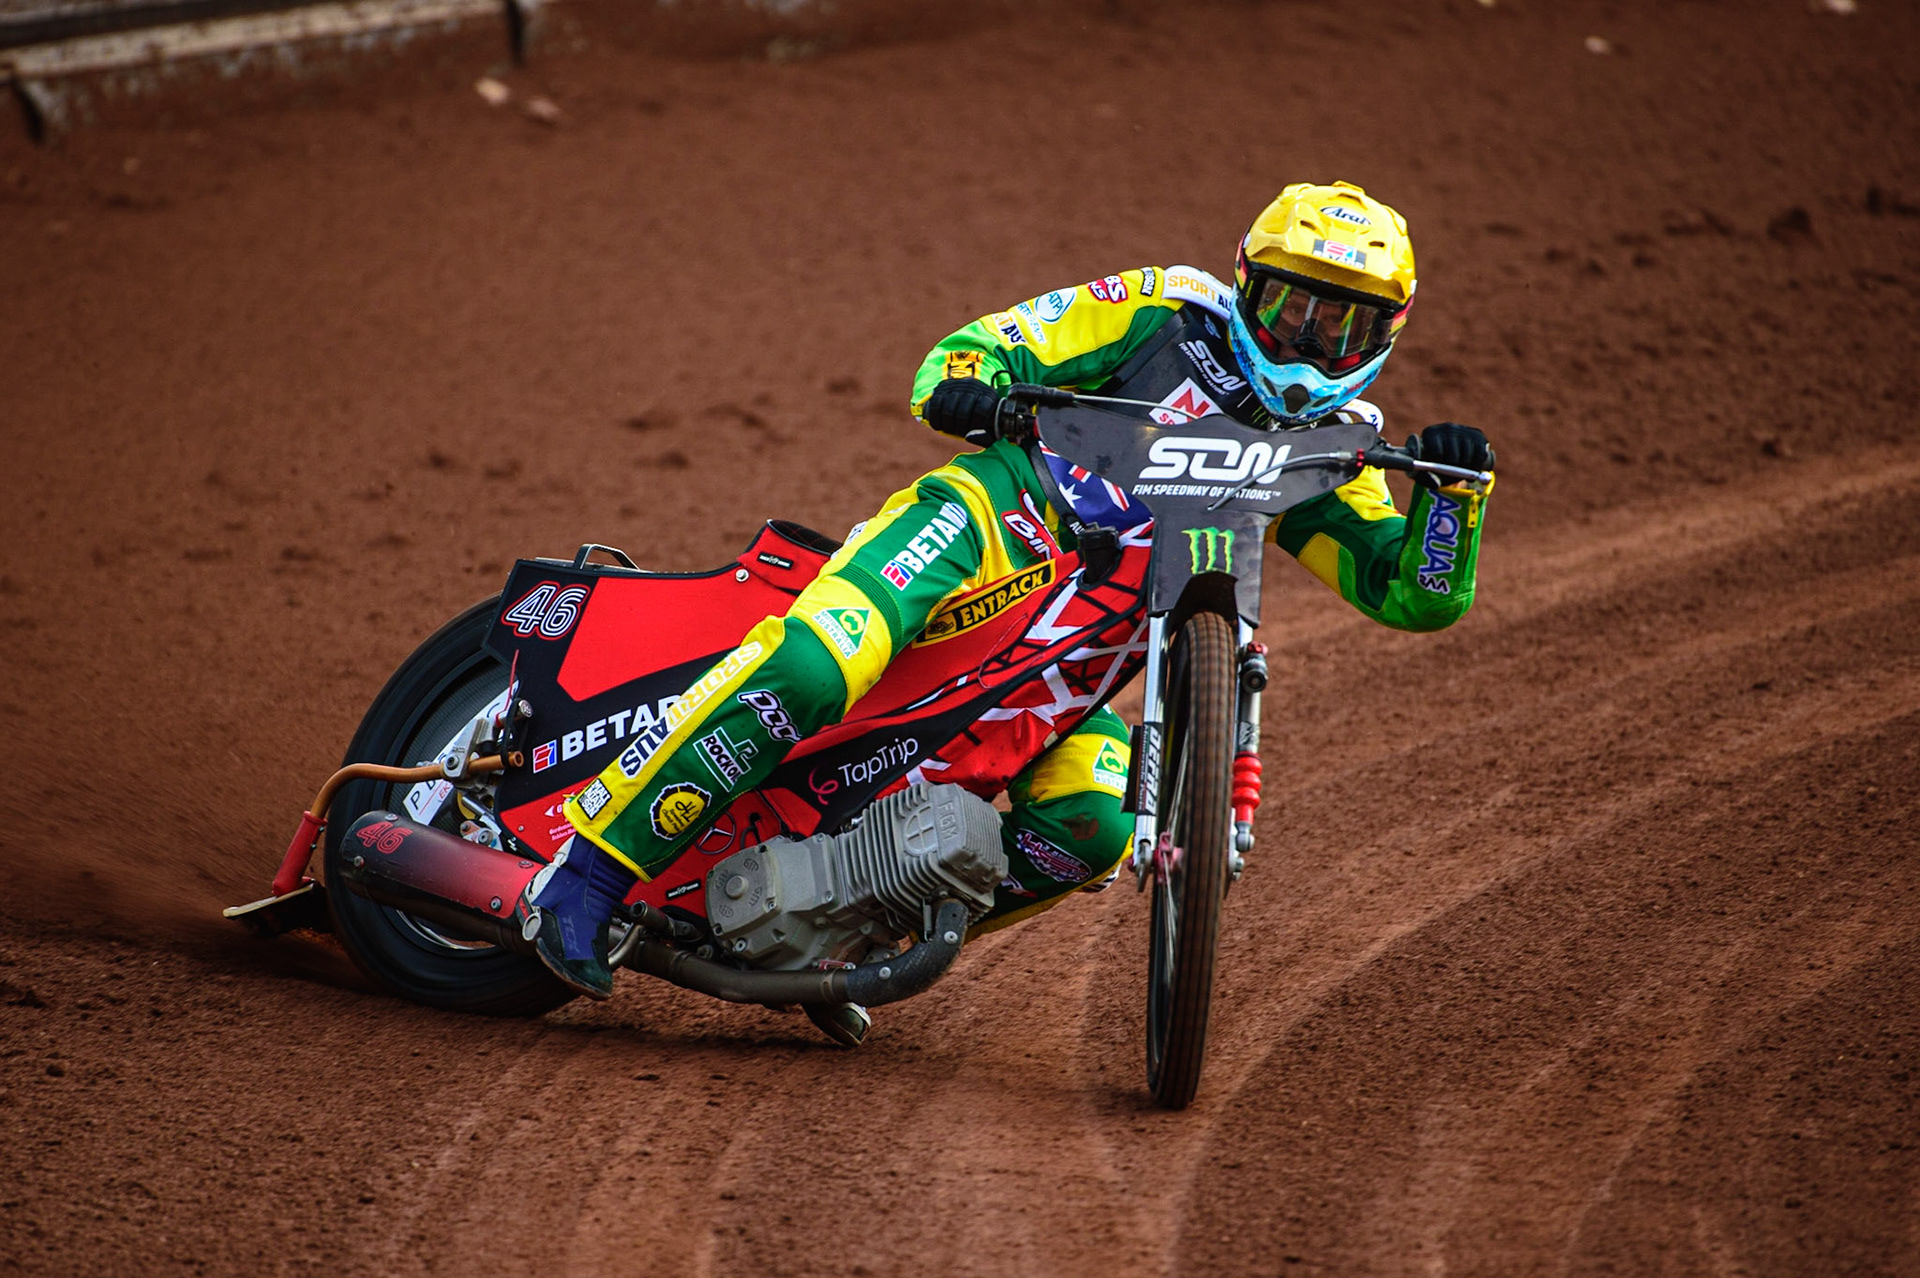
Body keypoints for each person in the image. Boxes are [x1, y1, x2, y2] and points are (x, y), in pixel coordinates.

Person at [521, 180, 1495, 1026]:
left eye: (1345, 325)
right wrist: (980, 392)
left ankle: (849, 935)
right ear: (1249, 285)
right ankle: (586, 875)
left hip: (1056, 672)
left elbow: (1410, 595)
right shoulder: (1169, 313)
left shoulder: (1336, 446)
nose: (1314, 343)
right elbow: (968, 355)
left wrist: (1451, 501)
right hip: (989, 531)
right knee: (818, 665)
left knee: (1098, 817)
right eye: (1295, 307)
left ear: (1386, 335)